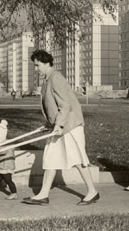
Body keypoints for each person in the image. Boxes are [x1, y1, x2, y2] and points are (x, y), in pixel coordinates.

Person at [22, 50, 98, 206]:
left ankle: (92, 192)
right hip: (59, 125)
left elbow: (65, 105)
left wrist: (59, 124)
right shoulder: (47, 80)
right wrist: (49, 124)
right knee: (51, 159)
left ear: (47, 63)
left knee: (78, 159)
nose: (36, 69)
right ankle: (43, 194)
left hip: (70, 126)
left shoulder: (56, 78)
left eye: (37, 65)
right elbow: (53, 107)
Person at [0, 120, 18, 200]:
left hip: (6, 167)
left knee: (8, 180)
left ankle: (14, 193)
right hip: (0, 166)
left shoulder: (6, 145)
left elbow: (2, 152)